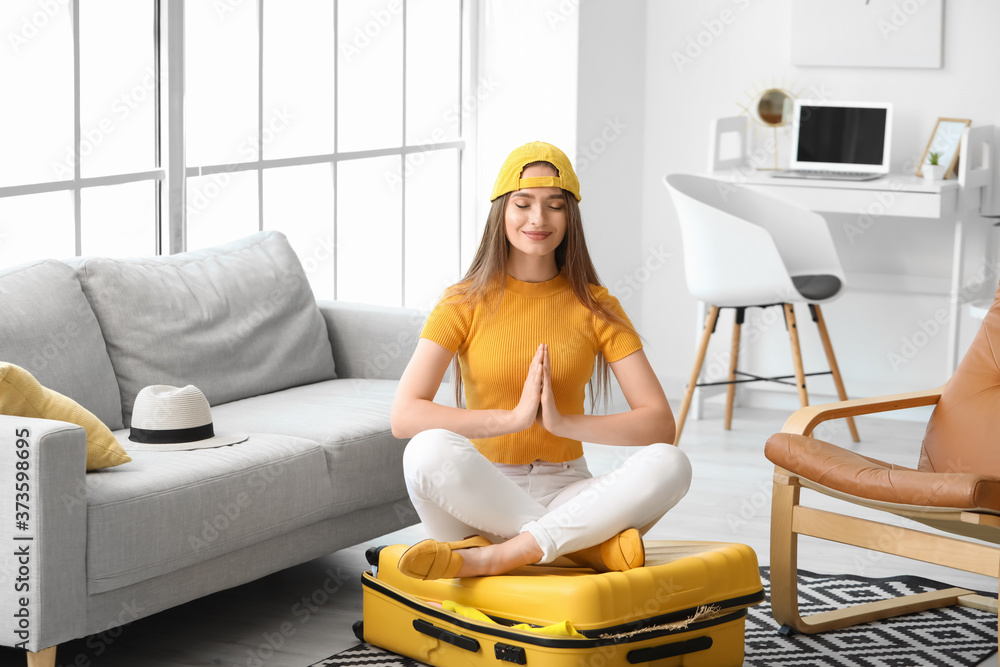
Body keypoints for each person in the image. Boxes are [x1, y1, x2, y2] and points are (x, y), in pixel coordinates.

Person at [390, 141, 692, 581]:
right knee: (425, 450)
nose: (538, 219)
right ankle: (583, 551)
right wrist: (511, 419)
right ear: (501, 211)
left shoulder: (596, 305)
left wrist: (564, 424)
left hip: (568, 489)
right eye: (523, 203)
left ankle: (497, 556)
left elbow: (659, 424)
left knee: (671, 464)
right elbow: (404, 416)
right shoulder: (461, 302)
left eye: (554, 206)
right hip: (478, 489)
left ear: (570, 217)